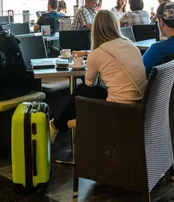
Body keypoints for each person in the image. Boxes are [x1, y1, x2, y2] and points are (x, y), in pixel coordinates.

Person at [49, 10, 147, 142]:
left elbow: (90, 83)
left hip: (119, 108)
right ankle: (57, 124)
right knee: (83, 90)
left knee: (81, 90)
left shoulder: (97, 53)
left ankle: (56, 124)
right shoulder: (130, 45)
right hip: (141, 101)